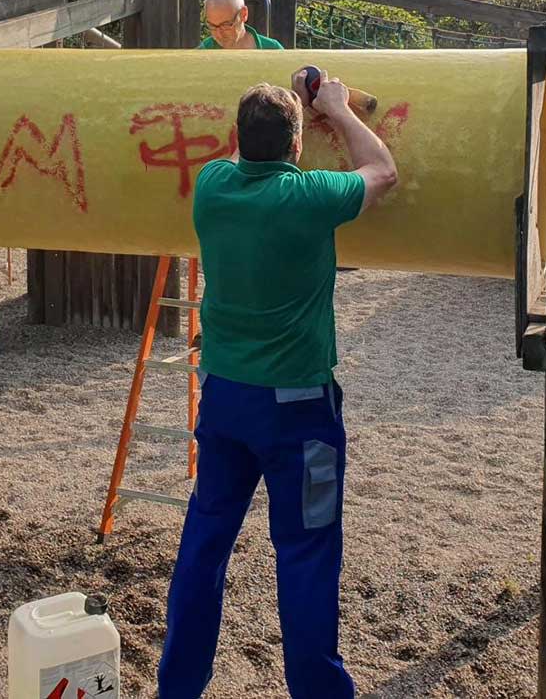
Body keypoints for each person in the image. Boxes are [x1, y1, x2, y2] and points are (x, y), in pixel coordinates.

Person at [158, 72, 398, 698]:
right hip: (299, 414)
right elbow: (383, 171)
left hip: (226, 402)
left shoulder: (210, 187)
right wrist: (340, 111)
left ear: (238, 137)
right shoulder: (310, 196)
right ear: (297, 148)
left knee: (205, 541)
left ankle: (178, 686)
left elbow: (247, 155)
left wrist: (286, 112)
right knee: (306, 554)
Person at [198, 0, 283, 50]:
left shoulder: (272, 49)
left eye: (226, 25)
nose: (219, 34)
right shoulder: (203, 52)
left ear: (243, 14)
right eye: (212, 26)